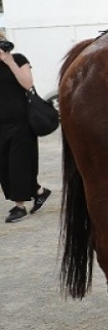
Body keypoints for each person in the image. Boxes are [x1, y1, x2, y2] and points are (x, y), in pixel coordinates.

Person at [0, 34, 52, 224]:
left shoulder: (19, 59)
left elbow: (27, 83)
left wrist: (8, 60)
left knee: (19, 164)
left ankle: (19, 206)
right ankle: (40, 191)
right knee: (4, 166)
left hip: (21, 123)